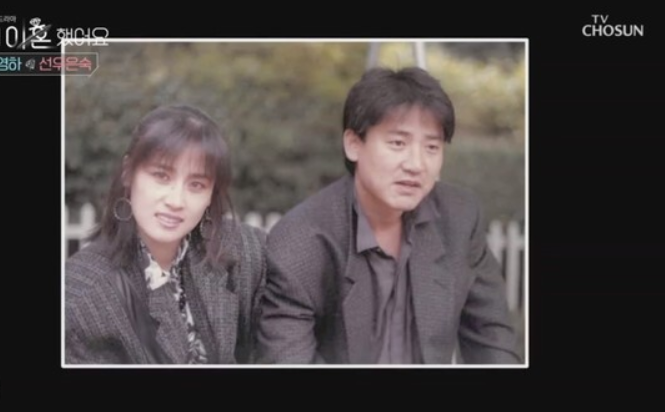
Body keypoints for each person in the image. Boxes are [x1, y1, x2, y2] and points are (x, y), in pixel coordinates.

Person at [256, 67, 521, 364]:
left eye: (432, 147)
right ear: (353, 144)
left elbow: (492, 340)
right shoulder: (301, 241)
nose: (416, 164)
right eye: (398, 143)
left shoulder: (459, 218)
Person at [65, 104, 266, 364]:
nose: (176, 200)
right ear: (128, 173)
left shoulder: (246, 252)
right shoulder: (81, 296)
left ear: (211, 194)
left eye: (196, 184)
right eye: (162, 176)